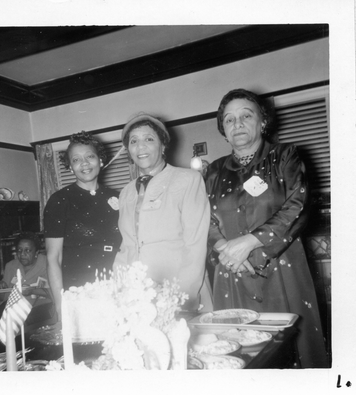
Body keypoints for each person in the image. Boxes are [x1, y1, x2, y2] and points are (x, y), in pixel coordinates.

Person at [205, 88, 329, 368]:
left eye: (245, 116)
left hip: (282, 269)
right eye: (229, 120)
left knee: (291, 354)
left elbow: (299, 204)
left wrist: (249, 242)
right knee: (240, 357)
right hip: (231, 272)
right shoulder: (212, 171)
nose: (237, 124)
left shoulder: (286, 156)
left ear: (263, 121)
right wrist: (226, 249)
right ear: (223, 129)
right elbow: (203, 217)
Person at [113, 113, 212, 312]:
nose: (140, 147)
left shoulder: (188, 179)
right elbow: (127, 246)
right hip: (138, 297)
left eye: (149, 139)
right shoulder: (125, 192)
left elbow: (195, 244)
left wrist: (182, 297)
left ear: (163, 145)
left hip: (178, 290)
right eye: (134, 141)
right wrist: (118, 288)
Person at [44, 131, 122, 322]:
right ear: (70, 167)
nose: (84, 163)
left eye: (90, 156)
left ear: (101, 160)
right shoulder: (60, 201)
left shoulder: (120, 197)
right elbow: (53, 258)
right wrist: (60, 304)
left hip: (118, 291)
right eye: (76, 160)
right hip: (78, 293)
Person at [0, 232, 53, 325]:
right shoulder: (11, 266)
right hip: (15, 312)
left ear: (36, 253)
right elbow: (3, 298)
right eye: (19, 250)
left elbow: (55, 293)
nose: (22, 254)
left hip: (42, 311)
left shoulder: (48, 264)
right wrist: (1, 289)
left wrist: (32, 291)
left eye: (27, 250)